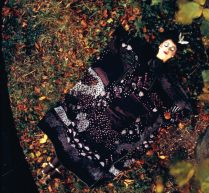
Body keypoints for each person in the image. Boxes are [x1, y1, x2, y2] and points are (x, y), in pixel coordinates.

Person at [37, 25, 192, 187]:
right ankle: (50, 167)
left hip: (124, 117)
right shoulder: (140, 55)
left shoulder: (166, 79)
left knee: (91, 147)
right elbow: (120, 60)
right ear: (160, 45)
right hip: (107, 104)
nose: (168, 48)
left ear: (174, 54)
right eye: (166, 45)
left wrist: (172, 110)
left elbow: (176, 103)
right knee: (78, 136)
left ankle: (55, 171)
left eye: (172, 48)